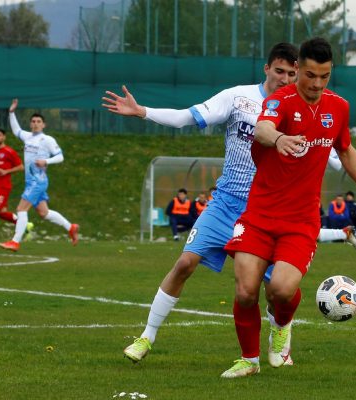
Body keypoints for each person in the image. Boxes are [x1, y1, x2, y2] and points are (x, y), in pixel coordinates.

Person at [101, 43, 299, 364]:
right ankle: (146, 337)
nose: (285, 79)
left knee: (278, 290)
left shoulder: (298, 111)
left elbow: (325, 151)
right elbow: (185, 117)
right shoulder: (237, 97)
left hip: (265, 213)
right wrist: (142, 111)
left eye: (292, 73)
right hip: (224, 205)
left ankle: (280, 332)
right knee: (183, 264)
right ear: (266, 69)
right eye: (279, 71)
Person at [220, 37, 356, 378]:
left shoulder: (339, 107)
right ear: (298, 69)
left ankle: (282, 326)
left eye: (324, 76)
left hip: (301, 218)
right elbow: (261, 129)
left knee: (281, 290)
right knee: (245, 289)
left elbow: (346, 150)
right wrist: (279, 138)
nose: (317, 84)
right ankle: (249, 360)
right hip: (259, 213)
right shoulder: (280, 101)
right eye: (309, 75)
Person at [0, 99, 79, 252]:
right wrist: (11, 112)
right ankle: (71, 227)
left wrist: (46, 161)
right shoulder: (27, 137)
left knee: (21, 209)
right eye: (33, 121)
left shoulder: (47, 140)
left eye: (38, 121)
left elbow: (60, 156)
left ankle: (15, 242)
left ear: (44, 125)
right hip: (31, 182)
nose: (35, 123)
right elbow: (16, 130)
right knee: (44, 213)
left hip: (38, 181)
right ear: (30, 124)